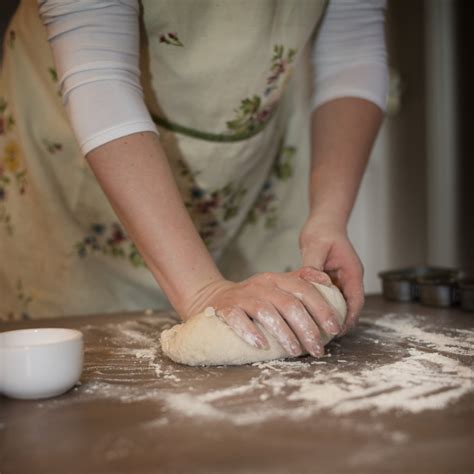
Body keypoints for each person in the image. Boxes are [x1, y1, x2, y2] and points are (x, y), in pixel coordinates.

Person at [0, 0, 387, 357]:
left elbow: (352, 47)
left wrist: (328, 217)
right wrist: (204, 290)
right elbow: (98, 70)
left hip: (242, 157)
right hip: (86, 140)